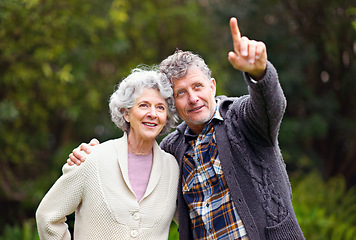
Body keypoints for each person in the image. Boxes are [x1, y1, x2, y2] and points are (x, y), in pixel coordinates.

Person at [68, 17, 305, 239]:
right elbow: (132, 167)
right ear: (173, 103)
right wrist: (93, 156)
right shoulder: (171, 148)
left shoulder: (241, 117)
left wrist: (259, 73)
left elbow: (271, 105)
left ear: (212, 86)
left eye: (198, 86)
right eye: (181, 93)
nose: (193, 98)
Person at [36, 66, 180, 240]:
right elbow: (47, 216)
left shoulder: (172, 167)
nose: (152, 114)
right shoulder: (92, 158)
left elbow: (193, 220)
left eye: (160, 108)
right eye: (144, 105)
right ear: (126, 113)